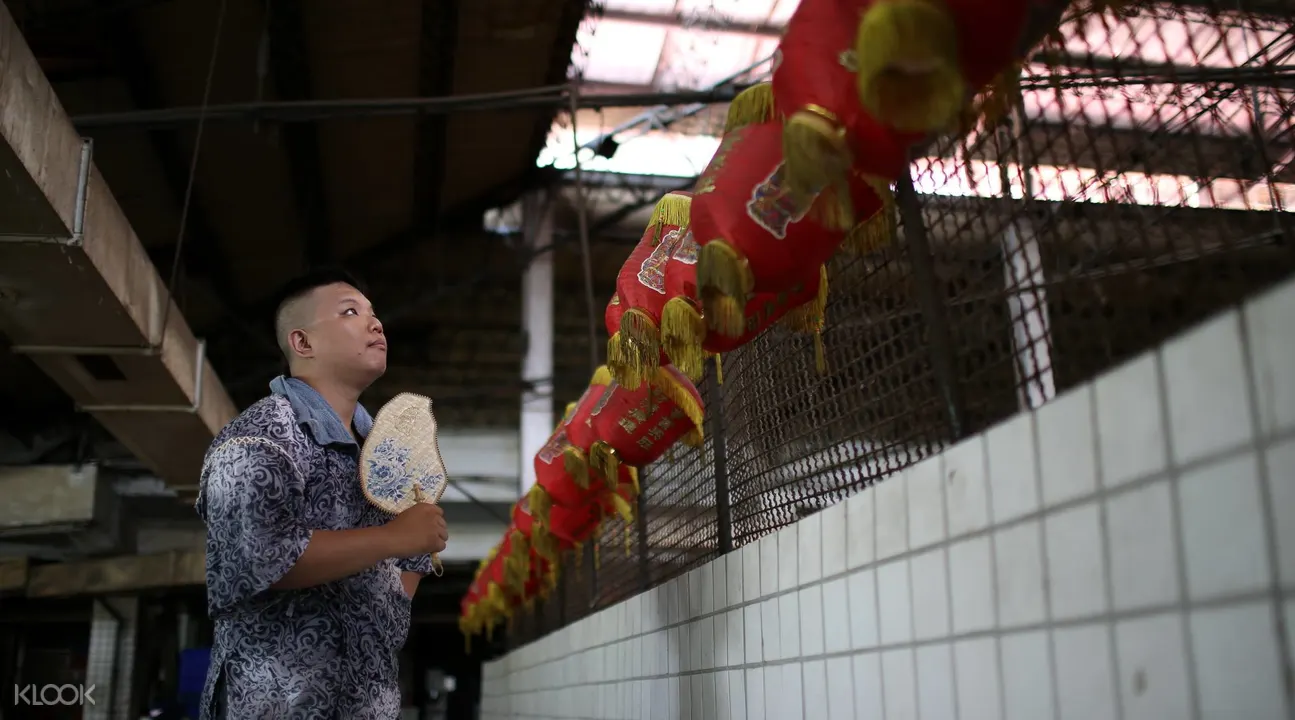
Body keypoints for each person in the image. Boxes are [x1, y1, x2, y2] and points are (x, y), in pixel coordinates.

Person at [195, 268, 449, 719]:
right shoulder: (257, 439)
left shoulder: (385, 453)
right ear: (302, 343)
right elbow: (261, 556)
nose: (376, 324)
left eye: (374, 314)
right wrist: (397, 538)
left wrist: (412, 547)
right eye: (351, 312)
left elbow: (404, 574)